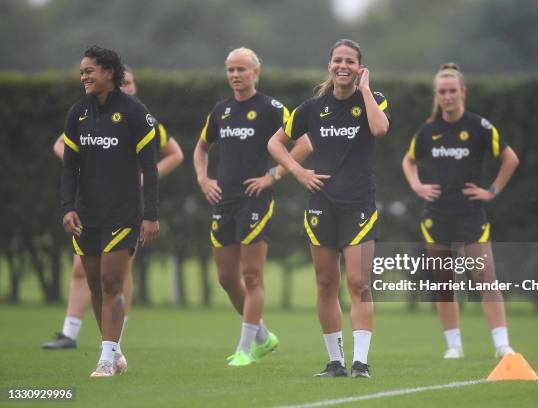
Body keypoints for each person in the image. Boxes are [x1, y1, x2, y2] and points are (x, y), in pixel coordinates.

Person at [268, 39, 390, 378]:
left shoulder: (373, 100)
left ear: (359, 67)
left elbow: (380, 129)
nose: (343, 66)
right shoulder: (310, 108)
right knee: (325, 283)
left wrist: (365, 90)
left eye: (350, 61)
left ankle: (360, 363)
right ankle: (335, 362)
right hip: (321, 206)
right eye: (338, 60)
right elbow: (275, 143)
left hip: (359, 206)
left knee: (358, 283)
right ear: (329, 65)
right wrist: (297, 171)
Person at [44, 66, 183, 351]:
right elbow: (62, 145)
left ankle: (115, 338)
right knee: (82, 270)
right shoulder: (90, 114)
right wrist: (84, 165)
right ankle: (71, 333)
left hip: (125, 206)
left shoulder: (143, 119)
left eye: (132, 82)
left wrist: (144, 175)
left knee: (117, 275)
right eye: (125, 82)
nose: (128, 86)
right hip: (92, 204)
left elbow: (175, 154)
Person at [194, 47, 312, 367]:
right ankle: (263, 335)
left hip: (256, 200)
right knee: (225, 278)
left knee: (251, 276)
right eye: (230, 69)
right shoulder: (221, 110)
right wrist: (204, 179)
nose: (235, 75)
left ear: (255, 73)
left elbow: (304, 144)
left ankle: (245, 349)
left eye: (242, 69)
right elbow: (201, 147)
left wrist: (274, 175)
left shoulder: (272, 108)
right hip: (224, 201)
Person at [402, 63, 520, 359]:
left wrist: (491, 191)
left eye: (453, 91)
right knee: (444, 284)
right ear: (436, 95)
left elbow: (511, 159)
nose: (448, 96)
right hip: (436, 216)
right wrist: (417, 186)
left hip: (471, 215)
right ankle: (454, 345)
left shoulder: (478, 126)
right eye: (442, 92)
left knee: (485, 278)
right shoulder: (429, 131)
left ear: (463, 92)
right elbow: (408, 160)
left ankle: (501, 345)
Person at [61, 46, 160, 377]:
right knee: (93, 284)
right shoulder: (78, 113)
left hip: (123, 212)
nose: (84, 77)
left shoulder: (135, 112)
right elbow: (69, 167)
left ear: (108, 73)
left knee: (111, 281)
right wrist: (67, 207)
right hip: (87, 213)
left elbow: (151, 167)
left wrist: (151, 215)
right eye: (82, 72)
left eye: (89, 71)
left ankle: (105, 358)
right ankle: (115, 352)